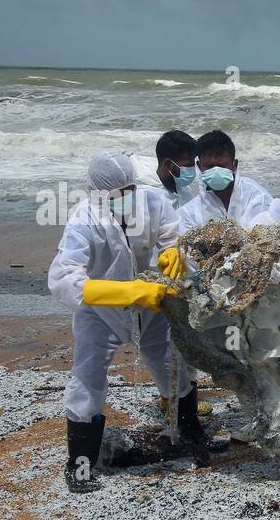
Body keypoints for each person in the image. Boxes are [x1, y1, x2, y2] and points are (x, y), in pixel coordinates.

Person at [47, 150, 209, 492]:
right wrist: (124, 293)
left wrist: (172, 253)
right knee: (88, 376)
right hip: (100, 309)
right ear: (99, 195)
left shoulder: (151, 201)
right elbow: (63, 280)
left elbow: (173, 234)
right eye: (116, 196)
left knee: (169, 360)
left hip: (150, 299)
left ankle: (189, 431)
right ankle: (81, 463)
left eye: (129, 190)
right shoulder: (84, 220)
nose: (125, 199)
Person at [178, 129, 273, 231]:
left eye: (222, 165)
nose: (216, 171)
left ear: (234, 165)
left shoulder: (257, 197)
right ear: (199, 167)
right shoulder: (190, 212)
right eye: (209, 167)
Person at [133, 129, 198, 209]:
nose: (192, 169)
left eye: (193, 164)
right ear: (168, 164)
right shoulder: (144, 193)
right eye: (187, 165)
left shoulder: (184, 188)